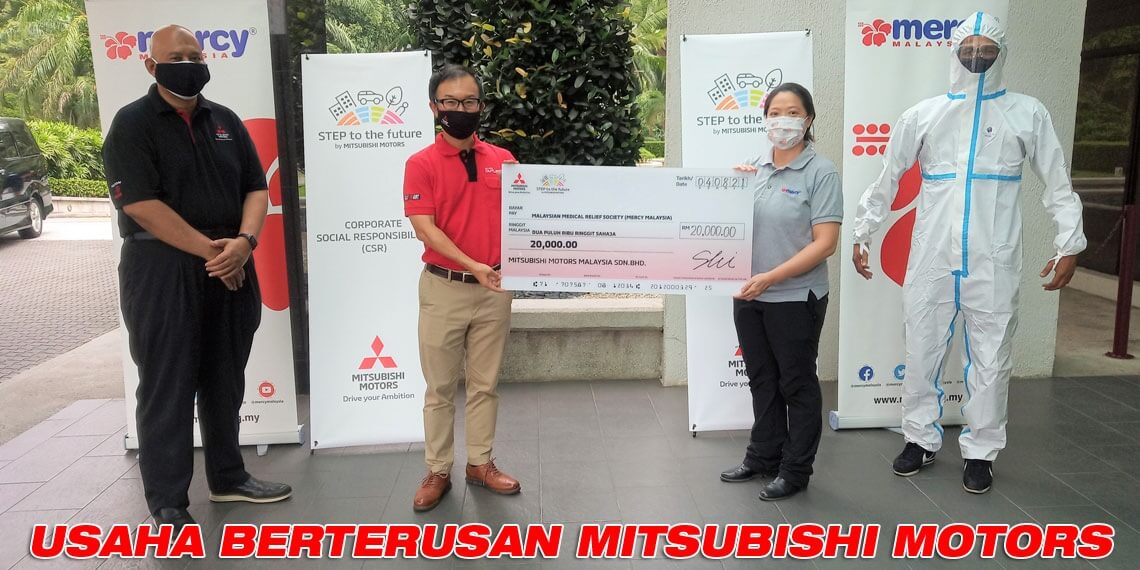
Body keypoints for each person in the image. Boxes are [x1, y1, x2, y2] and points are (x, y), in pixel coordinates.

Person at [851, 12, 1085, 494]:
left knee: (992, 358)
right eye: (968, 50)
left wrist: (1069, 242)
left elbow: (1057, 182)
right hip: (932, 258)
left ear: (1002, 55)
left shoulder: (1027, 113)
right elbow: (888, 177)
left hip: (993, 259)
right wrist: (863, 231)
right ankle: (919, 438)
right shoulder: (924, 115)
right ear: (954, 54)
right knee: (921, 351)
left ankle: (981, 451)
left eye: (987, 50)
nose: (977, 58)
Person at [102, 24, 291, 530]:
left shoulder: (224, 120)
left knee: (225, 378)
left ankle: (228, 476)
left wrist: (244, 243)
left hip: (231, 262)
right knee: (167, 383)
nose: (188, 64)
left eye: (195, 55)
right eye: (176, 57)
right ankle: (167, 501)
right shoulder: (132, 124)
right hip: (162, 270)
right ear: (151, 65)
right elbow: (140, 204)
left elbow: (257, 189)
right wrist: (215, 252)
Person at [403, 63, 521, 512]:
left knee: (485, 384)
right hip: (444, 288)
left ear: (481, 106)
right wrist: (473, 265)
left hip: (495, 289)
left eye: (469, 101)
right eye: (451, 102)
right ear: (435, 107)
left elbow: (528, 216)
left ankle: (480, 463)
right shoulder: (420, 164)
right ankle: (437, 470)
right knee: (439, 388)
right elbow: (425, 229)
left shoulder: (504, 160)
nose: (461, 109)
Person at [718, 83, 843, 501]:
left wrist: (771, 277)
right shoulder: (754, 169)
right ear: (765, 119)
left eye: (792, 113)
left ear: (808, 120)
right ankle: (763, 455)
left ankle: (795, 469)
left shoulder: (820, 172)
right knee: (762, 379)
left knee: (797, 383)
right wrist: (728, 190)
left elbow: (825, 243)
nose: (782, 121)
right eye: (775, 113)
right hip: (749, 295)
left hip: (795, 298)